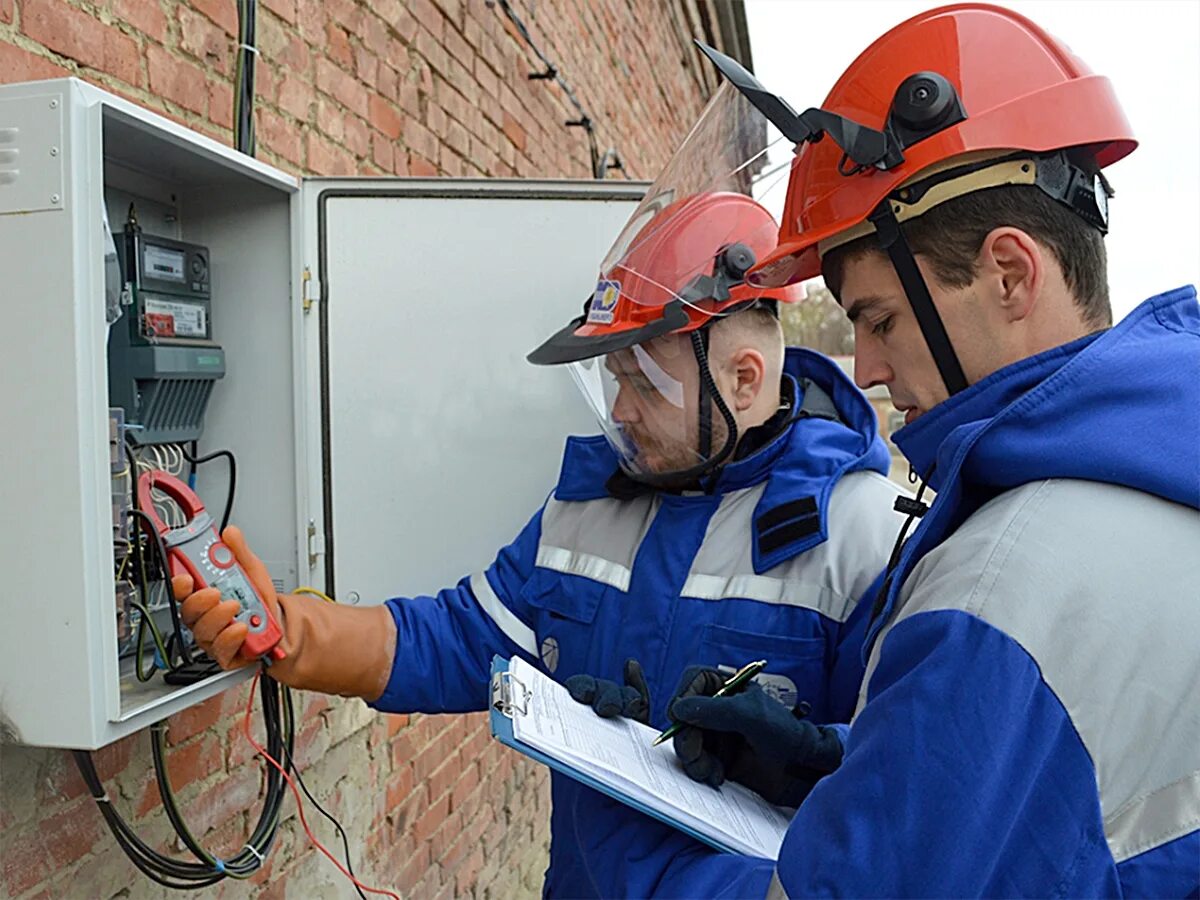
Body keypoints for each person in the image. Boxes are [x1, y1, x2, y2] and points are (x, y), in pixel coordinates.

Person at [173, 81, 909, 899]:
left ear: (742, 379)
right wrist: (292, 628)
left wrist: (805, 760)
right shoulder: (590, 503)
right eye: (612, 380)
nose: (620, 412)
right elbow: (456, 639)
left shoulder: (864, 536)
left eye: (645, 386)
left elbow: (912, 795)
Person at [568, 4, 1200, 897]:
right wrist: (827, 765)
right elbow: (1044, 817)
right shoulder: (1162, 472)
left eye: (879, 318)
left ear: (1011, 274)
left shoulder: (1000, 589)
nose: (861, 366)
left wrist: (617, 802)